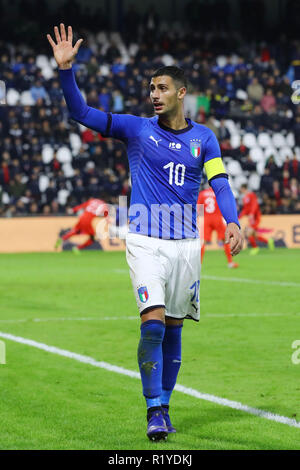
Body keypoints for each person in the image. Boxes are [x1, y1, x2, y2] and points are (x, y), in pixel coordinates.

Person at [47, 24, 243, 442]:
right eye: (151, 88)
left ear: (180, 93)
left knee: (174, 328)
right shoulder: (137, 128)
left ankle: (166, 405)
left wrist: (232, 220)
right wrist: (66, 72)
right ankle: (153, 410)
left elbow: (220, 183)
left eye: (162, 87)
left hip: (187, 246)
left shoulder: (204, 139)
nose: (154, 94)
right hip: (145, 242)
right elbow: (81, 113)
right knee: (152, 324)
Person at [197, 185, 239, 268]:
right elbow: (224, 205)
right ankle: (230, 262)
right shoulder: (218, 193)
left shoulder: (202, 193)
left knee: (202, 242)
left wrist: (198, 219)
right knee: (225, 240)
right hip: (217, 218)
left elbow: (199, 208)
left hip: (206, 219)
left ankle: (199, 264)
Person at [239, 184, 274, 255]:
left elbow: (255, 204)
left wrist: (252, 213)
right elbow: (245, 209)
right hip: (251, 218)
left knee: (248, 233)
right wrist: (240, 216)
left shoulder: (251, 195)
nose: (241, 191)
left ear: (244, 189)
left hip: (255, 217)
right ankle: (268, 241)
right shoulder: (244, 198)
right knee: (254, 235)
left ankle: (255, 248)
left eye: (241, 189)